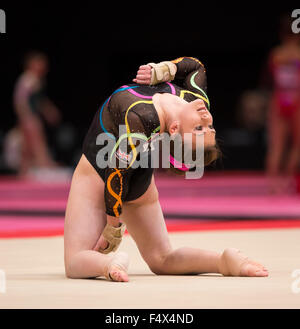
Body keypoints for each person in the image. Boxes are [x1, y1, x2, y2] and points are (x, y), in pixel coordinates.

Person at [64, 56, 269, 282]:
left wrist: (113, 228)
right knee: (162, 258)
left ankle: (109, 263)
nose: (206, 117)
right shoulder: (196, 99)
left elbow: (116, 171)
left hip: (99, 173)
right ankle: (222, 260)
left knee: (75, 262)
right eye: (209, 127)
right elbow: (196, 66)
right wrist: (165, 69)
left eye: (199, 127)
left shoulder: (139, 115)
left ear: (174, 129)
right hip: (138, 178)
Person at [263, 15, 300, 193]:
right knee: (296, 145)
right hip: (296, 99)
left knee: (276, 146)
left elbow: (269, 79)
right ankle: (286, 182)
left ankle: (272, 185)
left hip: (279, 99)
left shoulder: (276, 54)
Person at [13, 51, 61, 176]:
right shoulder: (28, 79)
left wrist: (49, 111)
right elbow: (20, 100)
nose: (43, 67)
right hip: (29, 117)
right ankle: (45, 169)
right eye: (40, 63)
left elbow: (39, 101)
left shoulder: (36, 80)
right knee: (37, 143)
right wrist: (26, 117)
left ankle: (23, 173)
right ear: (32, 64)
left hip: (30, 117)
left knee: (27, 148)